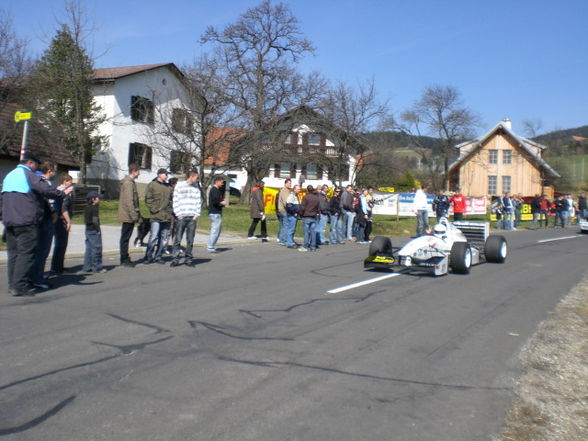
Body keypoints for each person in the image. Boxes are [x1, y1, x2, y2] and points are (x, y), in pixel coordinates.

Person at [1, 153, 72, 296]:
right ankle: (20, 286)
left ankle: (13, 284)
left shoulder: (9, 175)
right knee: (26, 254)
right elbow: (45, 190)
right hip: (26, 220)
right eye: (36, 165)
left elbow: (2, 199)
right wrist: (62, 193)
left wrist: (3, 217)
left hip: (10, 221)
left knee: (13, 254)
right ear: (30, 163)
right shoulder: (28, 175)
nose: (37, 168)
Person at [30, 161, 58, 289]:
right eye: (55, 170)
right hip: (45, 219)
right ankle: (37, 278)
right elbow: (48, 201)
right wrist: (53, 213)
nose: (55, 173)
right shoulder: (44, 183)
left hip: (40, 218)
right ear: (50, 170)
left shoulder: (37, 181)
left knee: (38, 250)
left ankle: (33, 275)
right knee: (42, 250)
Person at [170, 170, 202, 266]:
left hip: (192, 217)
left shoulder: (196, 188)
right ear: (191, 176)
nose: (197, 180)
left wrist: (196, 215)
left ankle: (188, 258)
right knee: (178, 238)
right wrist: (178, 214)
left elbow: (198, 201)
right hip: (181, 216)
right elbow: (175, 200)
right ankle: (175, 258)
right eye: (196, 178)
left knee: (190, 239)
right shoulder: (179, 186)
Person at [144, 168, 173, 263]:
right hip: (156, 216)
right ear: (159, 174)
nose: (167, 176)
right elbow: (148, 199)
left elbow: (172, 200)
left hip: (166, 216)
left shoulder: (169, 187)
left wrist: (171, 211)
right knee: (153, 236)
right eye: (165, 174)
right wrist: (154, 210)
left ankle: (158, 256)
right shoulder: (152, 185)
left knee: (163, 238)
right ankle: (148, 256)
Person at [50, 173, 74, 275]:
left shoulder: (59, 190)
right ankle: (57, 268)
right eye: (69, 182)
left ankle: (59, 266)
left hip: (59, 220)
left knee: (61, 244)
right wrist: (68, 221)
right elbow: (64, 209)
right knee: (61, 244)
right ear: (64, 182)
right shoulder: (63, 192)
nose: (71, 184)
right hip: (61, 220)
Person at [117, 164, 140, 267]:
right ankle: (124, 259)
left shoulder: (130, 182)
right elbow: (129, 201)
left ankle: (125, 257)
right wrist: (134, 215)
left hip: (128, 214)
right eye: (138, 171)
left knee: (126, 237)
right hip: (128, 215)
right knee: (125, 237)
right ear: (134, 171)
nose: (139, 173)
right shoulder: (128, 183)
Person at [83, 191, 106, 273]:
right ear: (93, 199)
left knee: (89, 248)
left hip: (88, 229)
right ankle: (97, 267)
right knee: (97, 248)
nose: (100, 199)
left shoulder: (87, 207)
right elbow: (95, 220)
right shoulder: (94, 208)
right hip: (93, 230)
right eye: (98, 198)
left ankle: (87, 266)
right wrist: (98, 229)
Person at [207, 176, 227, 253]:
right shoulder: (215, 190)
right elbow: (215, 201)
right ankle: (210, 246)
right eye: (221, 182)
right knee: (215, 230)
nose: (222, 184)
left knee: (217, 230)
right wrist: (222, 203)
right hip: (215, 212)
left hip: (216, 212)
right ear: (217, 182)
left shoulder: (216, 190)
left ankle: (212, 245)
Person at [298, 185, 320, 252]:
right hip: (313, 216)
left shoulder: (305, 197)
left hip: (306, 216)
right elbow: (318, 208)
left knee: (306, 232)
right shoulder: (316, 198)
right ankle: (313, 247)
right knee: (313, 232)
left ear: (307, 190)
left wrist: (300, 214)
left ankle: (305, 246)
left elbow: (302, 207)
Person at [276, 179, 292, 245]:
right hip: (284, 210)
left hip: (281, 210)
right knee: (285, 225)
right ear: (285, 183)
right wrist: (291, 209)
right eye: (289, 183)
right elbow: (286, 202)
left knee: (282, 225)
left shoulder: (286, 190)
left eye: (290, 183)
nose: (290, 184)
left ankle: (280, 238)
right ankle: (283, 240)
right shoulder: (285, 190)